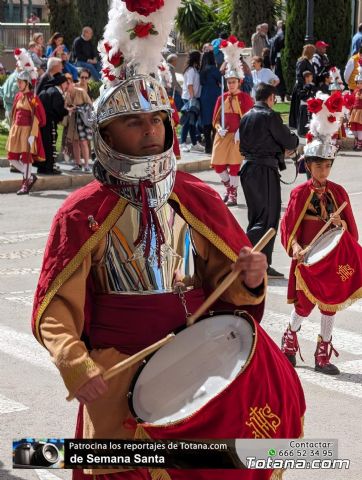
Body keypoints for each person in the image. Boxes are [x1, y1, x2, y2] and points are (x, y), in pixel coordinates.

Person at [32, 3, 305, 479]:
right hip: (118, 374)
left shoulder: (195, 197)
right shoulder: (80, 214)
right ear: (106, 133)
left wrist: (250, 279)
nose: (151, 129)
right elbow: (56, 309)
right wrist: (75, 362)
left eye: (156, 119)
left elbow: (228, 284)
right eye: (135, 122)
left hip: (199, 363)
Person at [280, 93, 359, 375]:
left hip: (330, 258)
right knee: (303, 306)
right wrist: (296, 247)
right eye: (318, 166)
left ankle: (323, 354)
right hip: (308, 258)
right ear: (308, 166)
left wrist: (341, 225)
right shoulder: (300, 193)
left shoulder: (338, 192)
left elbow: (351, 231)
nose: (324, 171)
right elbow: (288, 227)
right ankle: (289, 341)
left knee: (329, 307)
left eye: (327, 166)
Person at [239, 83, 299, 278]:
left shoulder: (246, 116)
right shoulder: (269, 115)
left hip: (249, 169)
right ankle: (238, 253)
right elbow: (288, 141)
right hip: (263, 170)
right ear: (271, 97)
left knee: (257, 217)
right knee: (268, 219)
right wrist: (293, 141)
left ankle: (258, 264)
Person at [211, 38, 254, 206]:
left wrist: (240, 131)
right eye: (229, 82)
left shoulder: (245, 98)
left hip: (238, 136)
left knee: (235, 166)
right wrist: (219, 128)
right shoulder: (221, 98)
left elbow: (249, 118)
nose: (231, 85)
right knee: (217, 165)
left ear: (239, 82)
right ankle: (229, 188)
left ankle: (233, 194)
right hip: (223, 136)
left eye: (234, 82)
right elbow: (215, 119)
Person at [6, 52, 46, 195]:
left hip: (27, 131)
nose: (18, 84)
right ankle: (30, 176)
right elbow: (14, 113)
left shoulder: (33, 98)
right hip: (16, 130)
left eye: (21, 82)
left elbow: (39, 117)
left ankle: (25, 184)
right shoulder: (18, 95)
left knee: (26, 158)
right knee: (12, 158)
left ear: (27, 83)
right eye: (18, 81)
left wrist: (32, 134)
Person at [38, 74, 69, 175]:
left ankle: (42, 167)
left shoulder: (46, 90)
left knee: (43, 144)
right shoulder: (55, 92)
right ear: (61, 83)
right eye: (66, 83)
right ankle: (49, 168)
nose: (67, 85)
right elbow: (57, 109)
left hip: (42, 123)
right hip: (50, 123)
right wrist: (66, 111)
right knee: (50, 144)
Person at [64, 77, 93, 172]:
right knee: (75, 142)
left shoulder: (81, 92)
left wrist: (77, 108)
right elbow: (66, 106)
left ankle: (86, 165)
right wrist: (69, 108)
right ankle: (78, 163)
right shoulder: (66, 94)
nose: (66, 86)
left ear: (72, 83)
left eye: (68, 84)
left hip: (82, 119)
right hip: (73, 120)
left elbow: (89, 105)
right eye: (65, 84)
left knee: (83, 142)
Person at [180, 50, 204, 153]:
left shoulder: (194, 69)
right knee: (187, 122)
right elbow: (190, 85)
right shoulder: (190, 70)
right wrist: (192, 98)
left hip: (192, 97)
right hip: (189, 98)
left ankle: (194, 143)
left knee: (192, 123)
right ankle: (182, 143)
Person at [199, 50, 221, 154]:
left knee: (206, 120)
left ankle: (208, 146)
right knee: (215, 118)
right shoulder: (214, 69)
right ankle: (214, 146)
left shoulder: (202, 70)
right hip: (214, 95)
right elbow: (221, 80)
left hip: (204, 95)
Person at [289, 44, 316, 129]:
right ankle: (298, 124)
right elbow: (299, 75)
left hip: (305, 86)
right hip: (301, 87)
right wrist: (305, 85)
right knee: (299, 107)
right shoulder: (302, 61)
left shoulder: (307, 61)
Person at [270, 22, 287, 102]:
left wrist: (272, 62)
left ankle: (282, 94)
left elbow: (273, 50)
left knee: (280, 76)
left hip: (279, 59)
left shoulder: (278, 37)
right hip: (283, 58)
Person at [297, 71, 316, 137]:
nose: (312, 78)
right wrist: (308, 96)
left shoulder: (312, 85)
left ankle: (310, 131)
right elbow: (302, 95)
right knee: (303, 119)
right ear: (306, 78)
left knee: (310, 118)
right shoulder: (303, 86)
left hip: (310, 104)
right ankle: (302, 132)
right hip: (304, 104)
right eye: (311, 77)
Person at [349, 65, 362, 150]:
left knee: (360, 128)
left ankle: (360, 143)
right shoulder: (355, 91)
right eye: (358, 82)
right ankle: (357, 141)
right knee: (354, 128)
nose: (359, 84)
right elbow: (352, 100)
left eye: (361, 82)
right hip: (354, 111)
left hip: (361, 111)